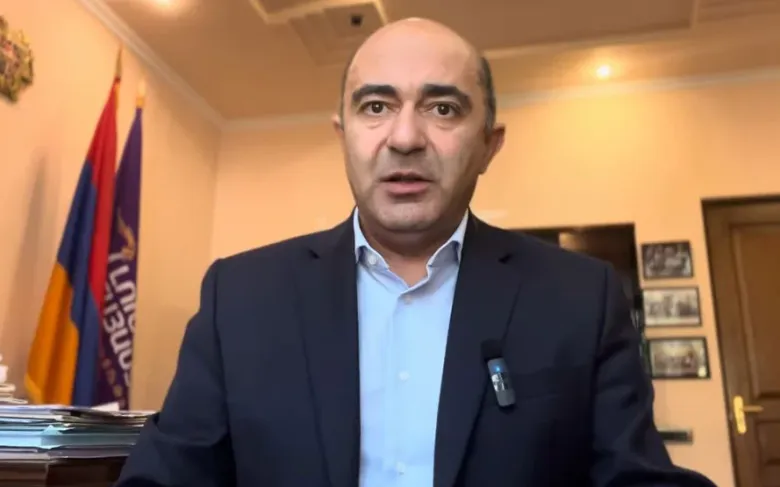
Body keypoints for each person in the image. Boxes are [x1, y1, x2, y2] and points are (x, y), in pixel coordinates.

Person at [115, 17, 717, 487]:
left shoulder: (582, 298)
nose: (404, 138)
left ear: (489, 145)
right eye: (376, 106)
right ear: (344, 136)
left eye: (443, 108)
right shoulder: (241, 298)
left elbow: (635, 477)